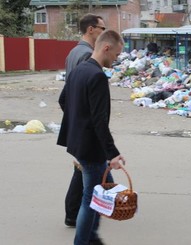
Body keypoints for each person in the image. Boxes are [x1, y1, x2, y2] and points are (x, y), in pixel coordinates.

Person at [57, 30, 126, 245]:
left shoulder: (79, 70)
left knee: (103, 190)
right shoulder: (96, 75)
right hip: (91, 147)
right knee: (91, 199)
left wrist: (77, 124)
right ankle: (84, 241)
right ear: (106, 48)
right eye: (116, 55)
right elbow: (99, 121)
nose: (115, 60)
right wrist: (112, 153)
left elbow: (63, 100)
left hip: (78, 143)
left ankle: (92, 238)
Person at [63, 13, 106, 227]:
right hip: (85, 123)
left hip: (77, 120)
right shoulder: (87, 56)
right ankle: (76, 214)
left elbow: (66, 95)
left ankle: (79, 212)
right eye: (101, 28)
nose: (103, 33)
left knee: (85, 167)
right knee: (88, 169)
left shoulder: (73, 52)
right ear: (91, 29)